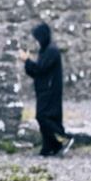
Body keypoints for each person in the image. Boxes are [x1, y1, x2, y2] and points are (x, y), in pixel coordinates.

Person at [18, 22, 74, 156]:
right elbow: (36, 71)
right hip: (44, 89)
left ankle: (62, 137)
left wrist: (27, 61)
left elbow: (40, 69)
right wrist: (28, 63)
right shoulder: (45, 50)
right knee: (49, 118)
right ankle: (50, 147)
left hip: (50, 90)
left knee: (43, 117)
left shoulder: (51, 51)